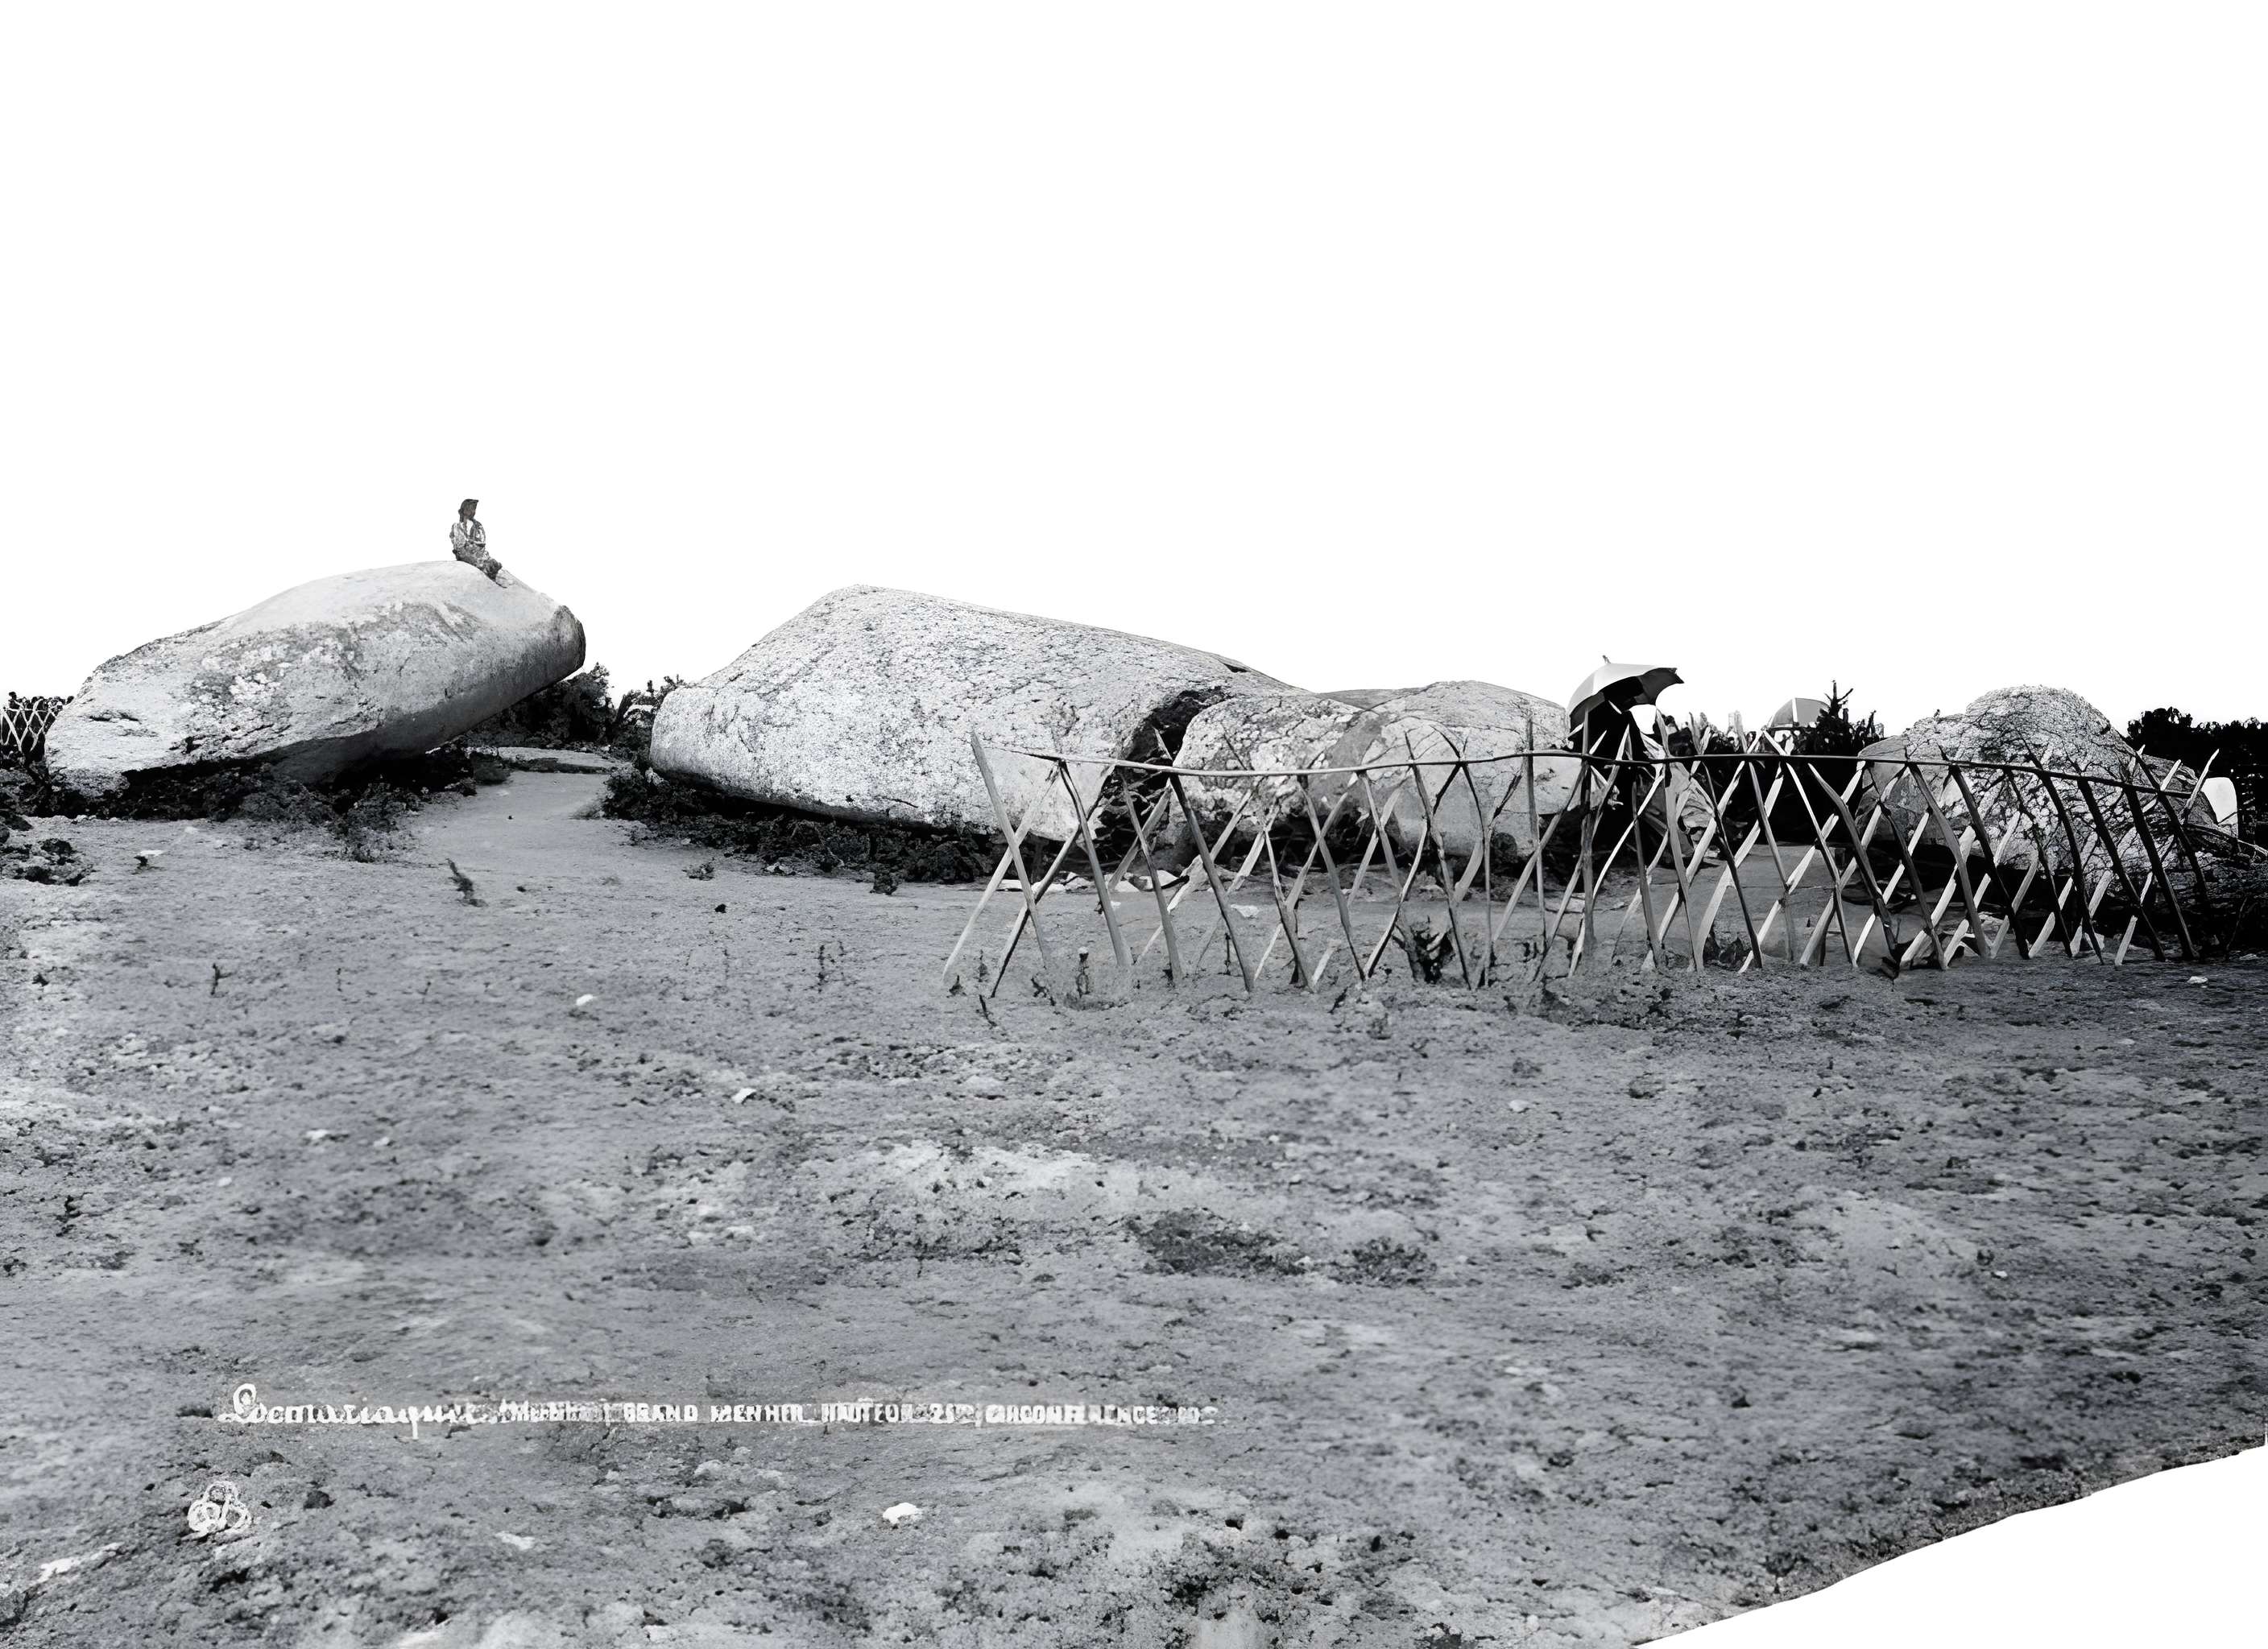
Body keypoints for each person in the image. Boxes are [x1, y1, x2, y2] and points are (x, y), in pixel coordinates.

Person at [449, 498, 508, 583]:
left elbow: (482, 541)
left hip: (478, 552)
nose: (472, 511)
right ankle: (489, 572)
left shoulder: (478, 525)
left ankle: (494, 574)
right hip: (465, 553)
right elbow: (459, 545)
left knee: (491, 562)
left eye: (474, 509)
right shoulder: (457, 526)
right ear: (464, 510)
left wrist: (475, 545)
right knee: (479, 563)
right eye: (470, 509)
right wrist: (468, 546)